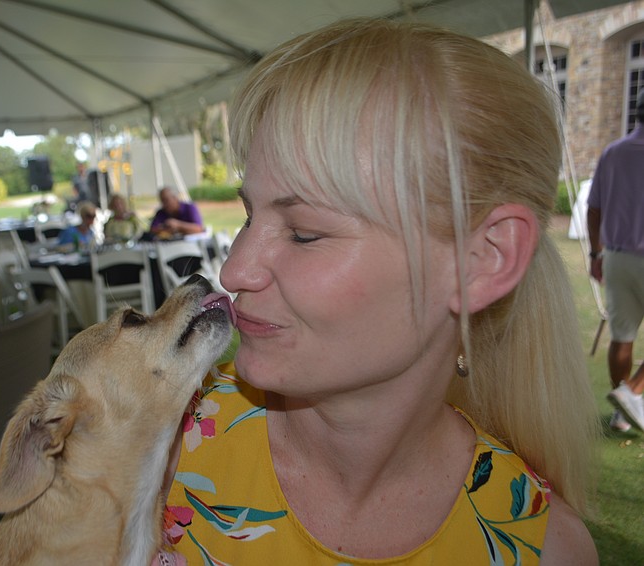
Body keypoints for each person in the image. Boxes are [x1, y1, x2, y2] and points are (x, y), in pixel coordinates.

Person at [156, 18, 599, 565]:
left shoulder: (542, 549)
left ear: (483, 261)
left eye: (304, 233)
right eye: (250, 215)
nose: (235, 270)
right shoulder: (152, 452)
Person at [589, 90, 644, 433]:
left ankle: (623, 416)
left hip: (617, 259)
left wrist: (595, 254)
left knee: (622, 336)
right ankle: (632, 393)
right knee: (621, 336)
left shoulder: (613, 152)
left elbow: (594, 208)